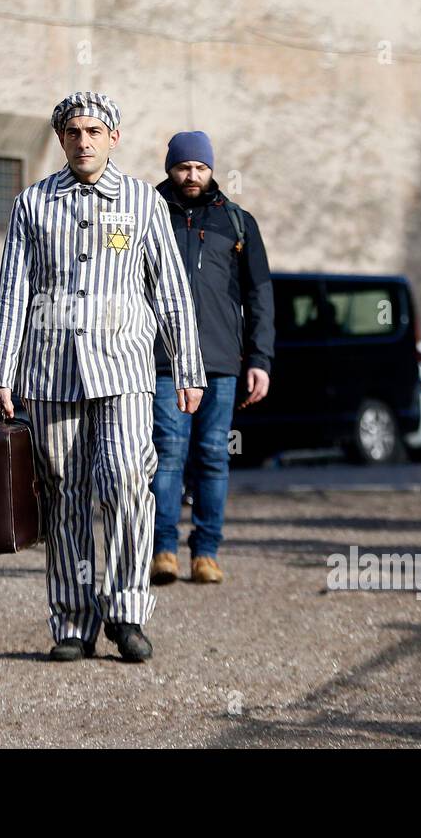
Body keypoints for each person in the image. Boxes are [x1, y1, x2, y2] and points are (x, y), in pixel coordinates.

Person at [0, 91, 206, 663]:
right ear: (61, 139)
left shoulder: (141, 203)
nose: (83, 141)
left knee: (130, 480)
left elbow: (171, 289)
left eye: (93, 131)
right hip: (52, 372)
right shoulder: (33, 204)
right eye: (73, 132)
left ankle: (128, 613)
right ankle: (73, 620)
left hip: (125, 369)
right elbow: (13, 292)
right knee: (65, 494)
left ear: (113, 137)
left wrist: (188, 366)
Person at [150, 131, 274, 585]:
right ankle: (162, 550)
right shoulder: (147, 214)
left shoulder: (237, 223)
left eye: (200, 168)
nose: (192, 176)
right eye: (184, 167)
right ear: (170, 168)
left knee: (212, 456)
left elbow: (260, 295)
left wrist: (260, 359)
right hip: (163, 360)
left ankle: (206, 552)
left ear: (211, 170)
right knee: (167, 454)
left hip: (220, 363)